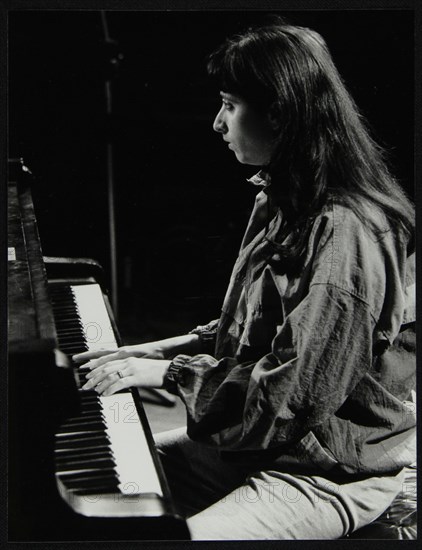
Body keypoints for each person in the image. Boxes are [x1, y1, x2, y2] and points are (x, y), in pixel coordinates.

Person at [74, 18, 416, 540]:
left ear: (279, 114)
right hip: (261, 446)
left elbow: (291, 395)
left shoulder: (347, 234)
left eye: (230, 104)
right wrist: (155, 352)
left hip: (326, 470)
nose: (217, 123)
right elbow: (254, 330)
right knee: (96, 493)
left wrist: (170, 376)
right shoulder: (282, 199)